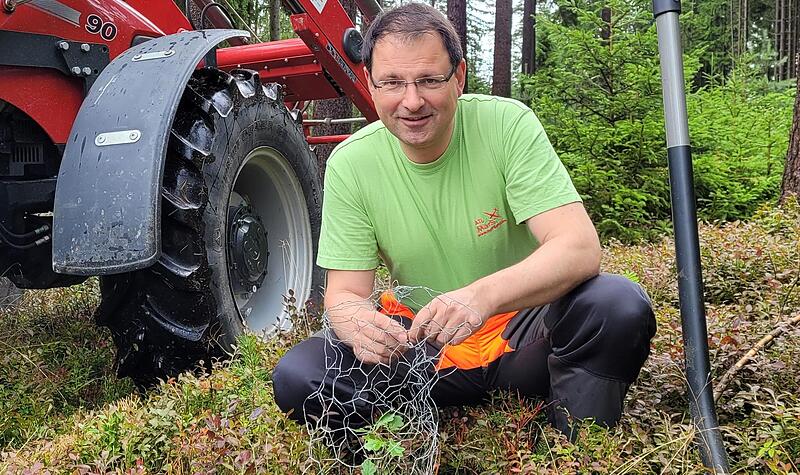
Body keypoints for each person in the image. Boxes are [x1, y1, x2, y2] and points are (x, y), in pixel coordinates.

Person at [272, 2, 656, 439]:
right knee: (300, 374)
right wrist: (359, 326)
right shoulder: (351, 164)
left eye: (430, 80)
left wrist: (480, 297)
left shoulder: (506, 125)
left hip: (523, 338)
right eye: (393, 82)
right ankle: (406, 444)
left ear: (459, 76)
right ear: (370, 84)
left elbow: (579, 248)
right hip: (423, 350)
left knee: (616, 306)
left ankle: (575, 450)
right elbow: (344, 292)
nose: (412, 101)